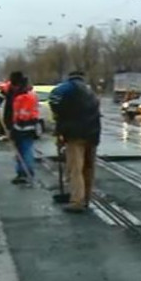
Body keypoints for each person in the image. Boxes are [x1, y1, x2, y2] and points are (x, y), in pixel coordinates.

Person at [49, 71, 101, 213]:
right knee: (88, 168)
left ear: (70, 77)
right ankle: (86, 199)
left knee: (75, 169)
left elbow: (53, 98)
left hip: (75, 135)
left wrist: (58, 116)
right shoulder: (90, 91)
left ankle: (77, 201)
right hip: (93, 134)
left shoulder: (68, 87)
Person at [0, 71, 37, 184]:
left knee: (25, 149)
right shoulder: (10, 88)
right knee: (18, 149)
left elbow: (27, 111)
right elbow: (0, 97)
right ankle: (21, 173)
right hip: (16, 122)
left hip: (24, 123)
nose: (13, 87)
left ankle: (26, 172)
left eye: (15, 85)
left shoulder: (27, 93)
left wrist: (15, 126)